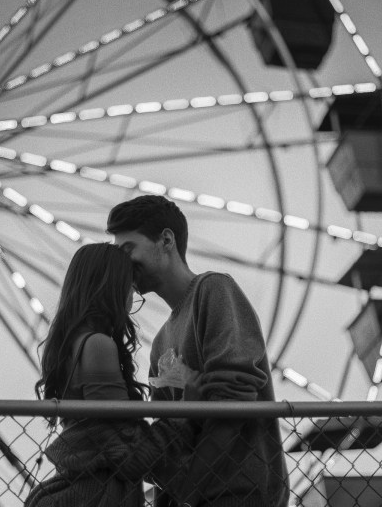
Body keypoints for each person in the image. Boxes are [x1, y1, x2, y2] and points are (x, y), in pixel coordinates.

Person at [107, 195, 289, 507]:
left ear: (166, 240)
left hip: (239, 494)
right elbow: (169, 435)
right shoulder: (161, 346)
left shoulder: (214, 290)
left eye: (128, 250)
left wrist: (188, 490)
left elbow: (233, 401)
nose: (123, 265)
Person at [26, 243, 194, 507]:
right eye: (130, 285)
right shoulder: (97, 345)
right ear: (111, 286)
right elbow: (126, 447)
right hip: (99, 494)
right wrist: (187, 400)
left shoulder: (72, 343)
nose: (133, 294)